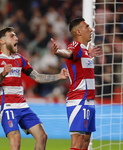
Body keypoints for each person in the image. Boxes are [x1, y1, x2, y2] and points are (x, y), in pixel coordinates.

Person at [0, 27, 68, 150]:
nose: (16, 38)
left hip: (22, 105)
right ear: (2, 41)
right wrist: (3, 74)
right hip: (6, 105)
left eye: (16, 36)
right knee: (16, 140)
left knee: (42, 136)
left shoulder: (20, 59)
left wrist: (59, 76)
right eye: (12, 36)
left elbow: (38, 77)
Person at [51, 18, 100, 150]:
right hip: (79, 99)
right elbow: (68, 53)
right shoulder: (75, 46)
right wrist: (58, 52)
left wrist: (88, 54)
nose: (91, 29)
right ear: (78, 32)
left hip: (89, 100)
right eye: (87, 27)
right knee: (77, 143)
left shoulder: (83, 51)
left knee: (86, 140)